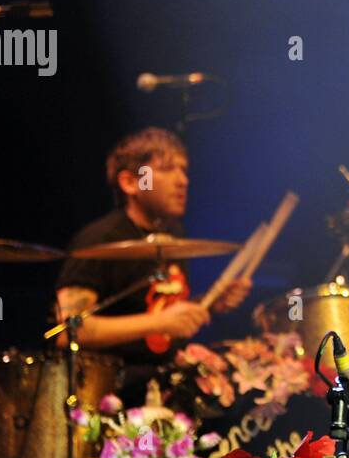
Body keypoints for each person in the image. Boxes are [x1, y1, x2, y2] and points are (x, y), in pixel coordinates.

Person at [54, 127, 251, 404]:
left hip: (168, 387)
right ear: (130, 183)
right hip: (114, 394)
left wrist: (209, 304)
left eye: (184, 171)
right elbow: (68, 330)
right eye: (168, 170)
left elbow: (154, 308)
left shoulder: (173, 238)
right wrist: (160, 323)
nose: (182, 181)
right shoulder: (100, 240)